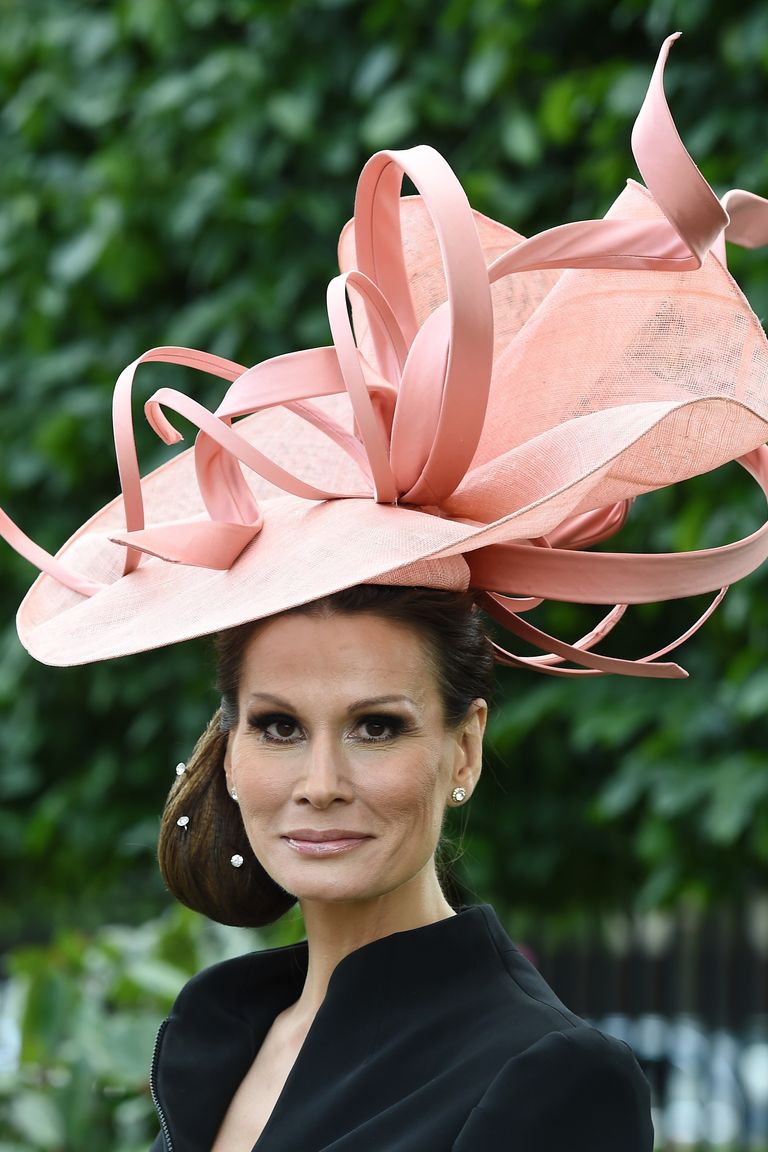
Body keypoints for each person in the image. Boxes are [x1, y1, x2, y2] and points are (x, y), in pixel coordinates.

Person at [4, 33, 768, 1152]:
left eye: (375, 726)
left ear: (462, 751)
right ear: (228, 741)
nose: (318, 783)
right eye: (277, 726)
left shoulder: (550, 1082)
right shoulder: (220, 1032)